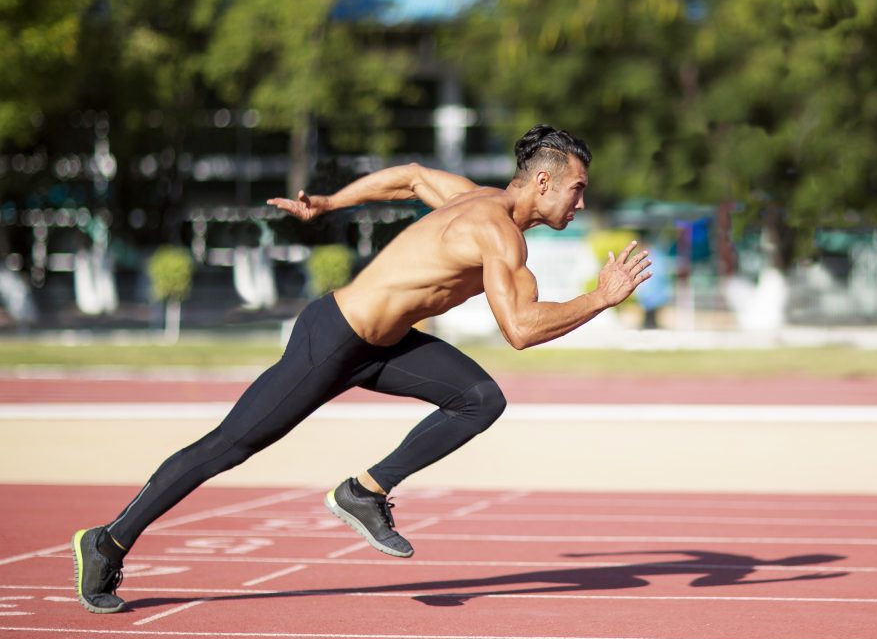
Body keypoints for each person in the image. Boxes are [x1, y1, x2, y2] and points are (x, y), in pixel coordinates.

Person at [71, 124, 652, 613]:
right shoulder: (494, 230)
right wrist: (601, 298)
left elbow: (410, 176)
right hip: (333, 339)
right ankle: (108, 541)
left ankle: (364, 491)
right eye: (576, 190)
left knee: (480, 397)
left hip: (384, 345)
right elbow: (520, 330)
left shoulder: (473, 198)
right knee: (228, 445)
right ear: (543, 182)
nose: (579, 204)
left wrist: (329, 203)